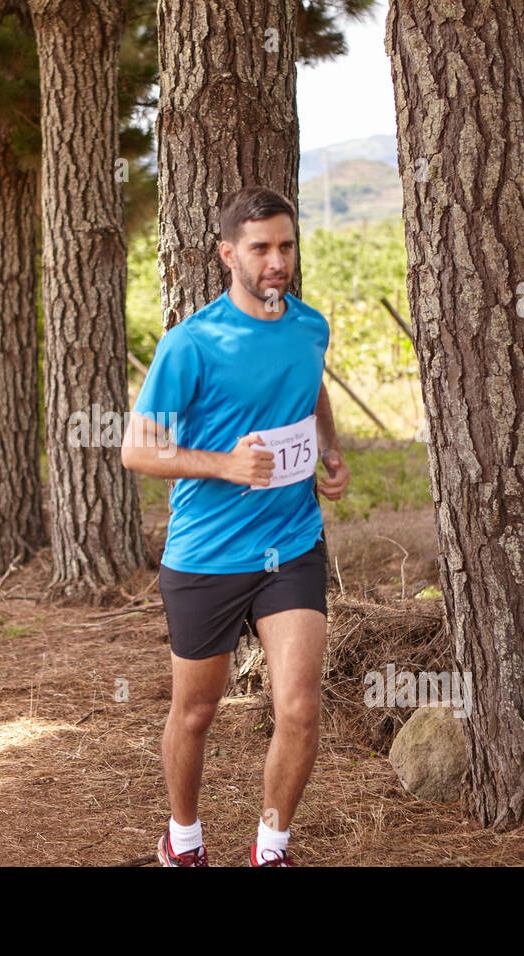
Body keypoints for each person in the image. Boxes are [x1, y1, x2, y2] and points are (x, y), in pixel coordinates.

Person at [121, 187, 351, 867]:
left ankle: (271, 849)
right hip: (207, 555)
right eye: (260, 248)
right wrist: (223, 463)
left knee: (300, 709)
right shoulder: (191, 343)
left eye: (285, 245)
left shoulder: (310, 327)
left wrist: (330, 453)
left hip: (292, 545)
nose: (276, 260)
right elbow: (137, 448)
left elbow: (311, 390)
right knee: (196, 713)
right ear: (228, 254)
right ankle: (183, 840)